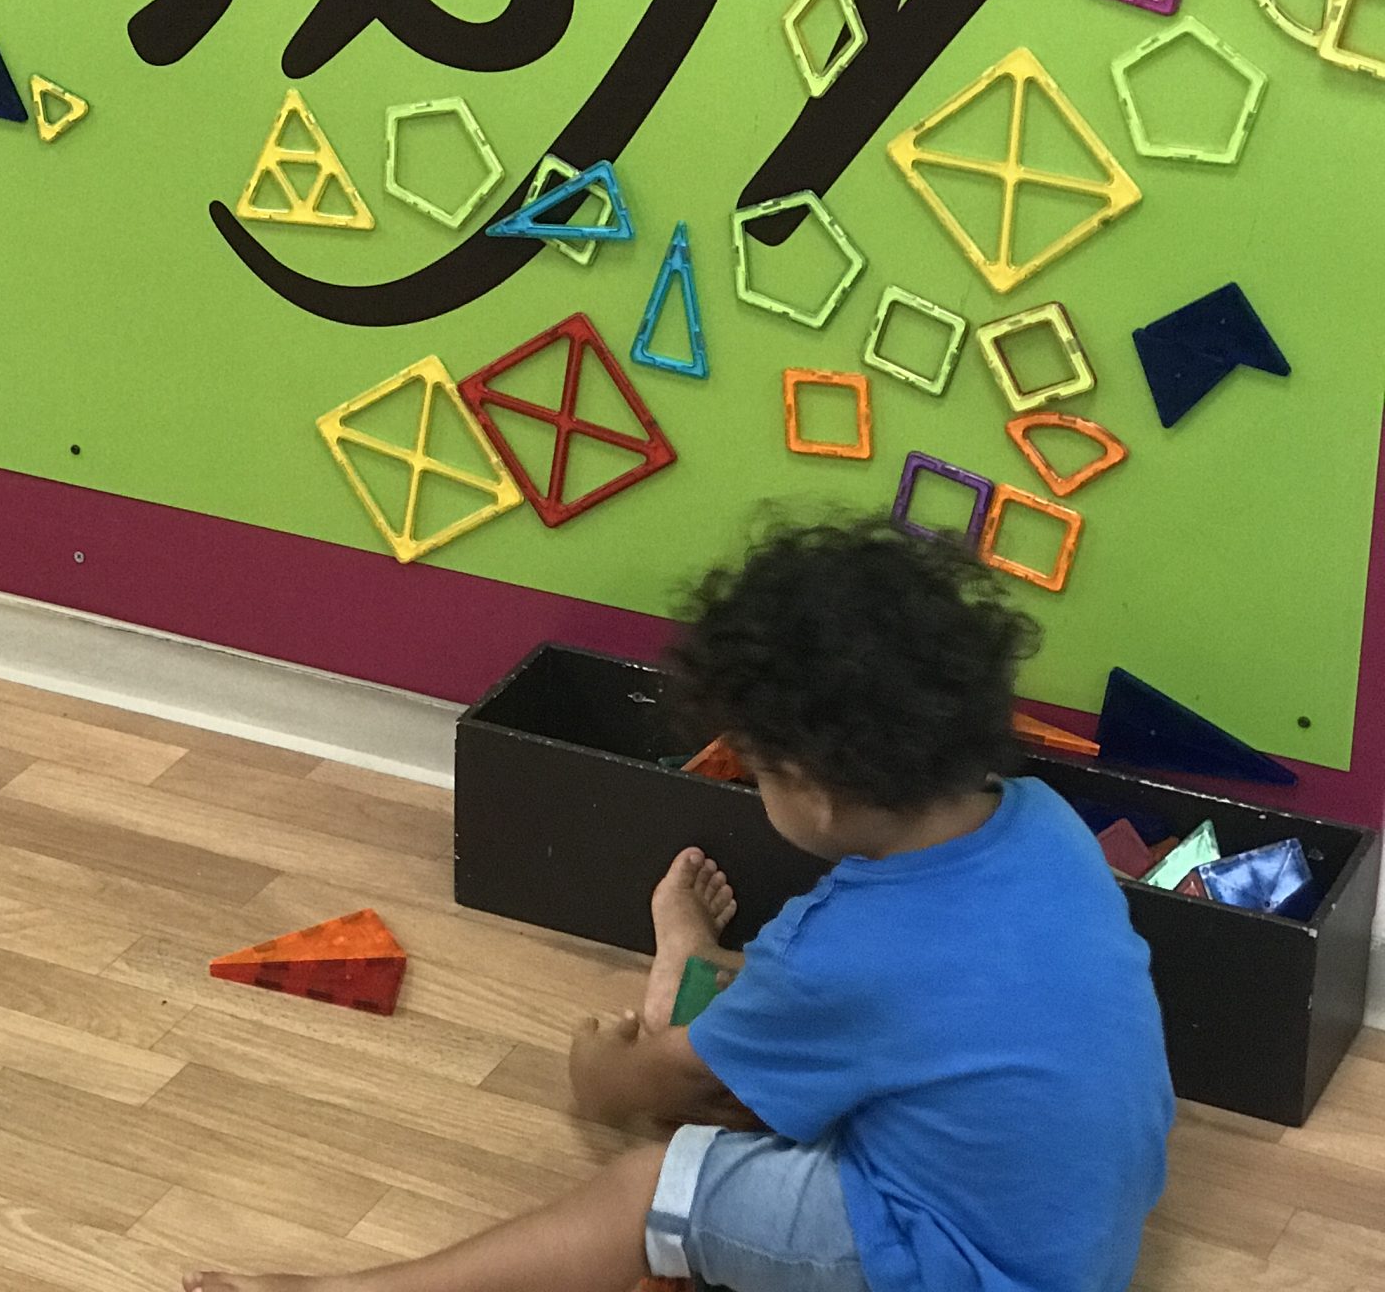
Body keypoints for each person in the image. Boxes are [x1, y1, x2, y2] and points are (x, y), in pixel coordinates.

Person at [183, 516, 1174, 1292]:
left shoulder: (838, 954)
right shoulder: (1041, 824)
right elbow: (909, 1003)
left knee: (645, 1186)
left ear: (813, 793)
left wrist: (594, 1074)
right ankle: (688, 975)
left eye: (757, 769)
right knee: (771, 1057)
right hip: (1081, 1230)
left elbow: (642, 1091)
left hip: (966, 1265)